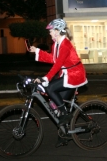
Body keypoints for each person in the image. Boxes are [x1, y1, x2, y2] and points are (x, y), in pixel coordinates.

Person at [29, 18, 88, 147]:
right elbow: (54, 59)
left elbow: (58, 64)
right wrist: (38, 51)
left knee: (50, 89)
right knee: (56, 105)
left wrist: (47, 78)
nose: (49, 33)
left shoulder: (65, 44)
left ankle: (66, 115)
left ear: (57, 31)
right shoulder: (56, 44)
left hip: (75, 75)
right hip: (66, 74)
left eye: (51, 31)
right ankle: (64, 135)